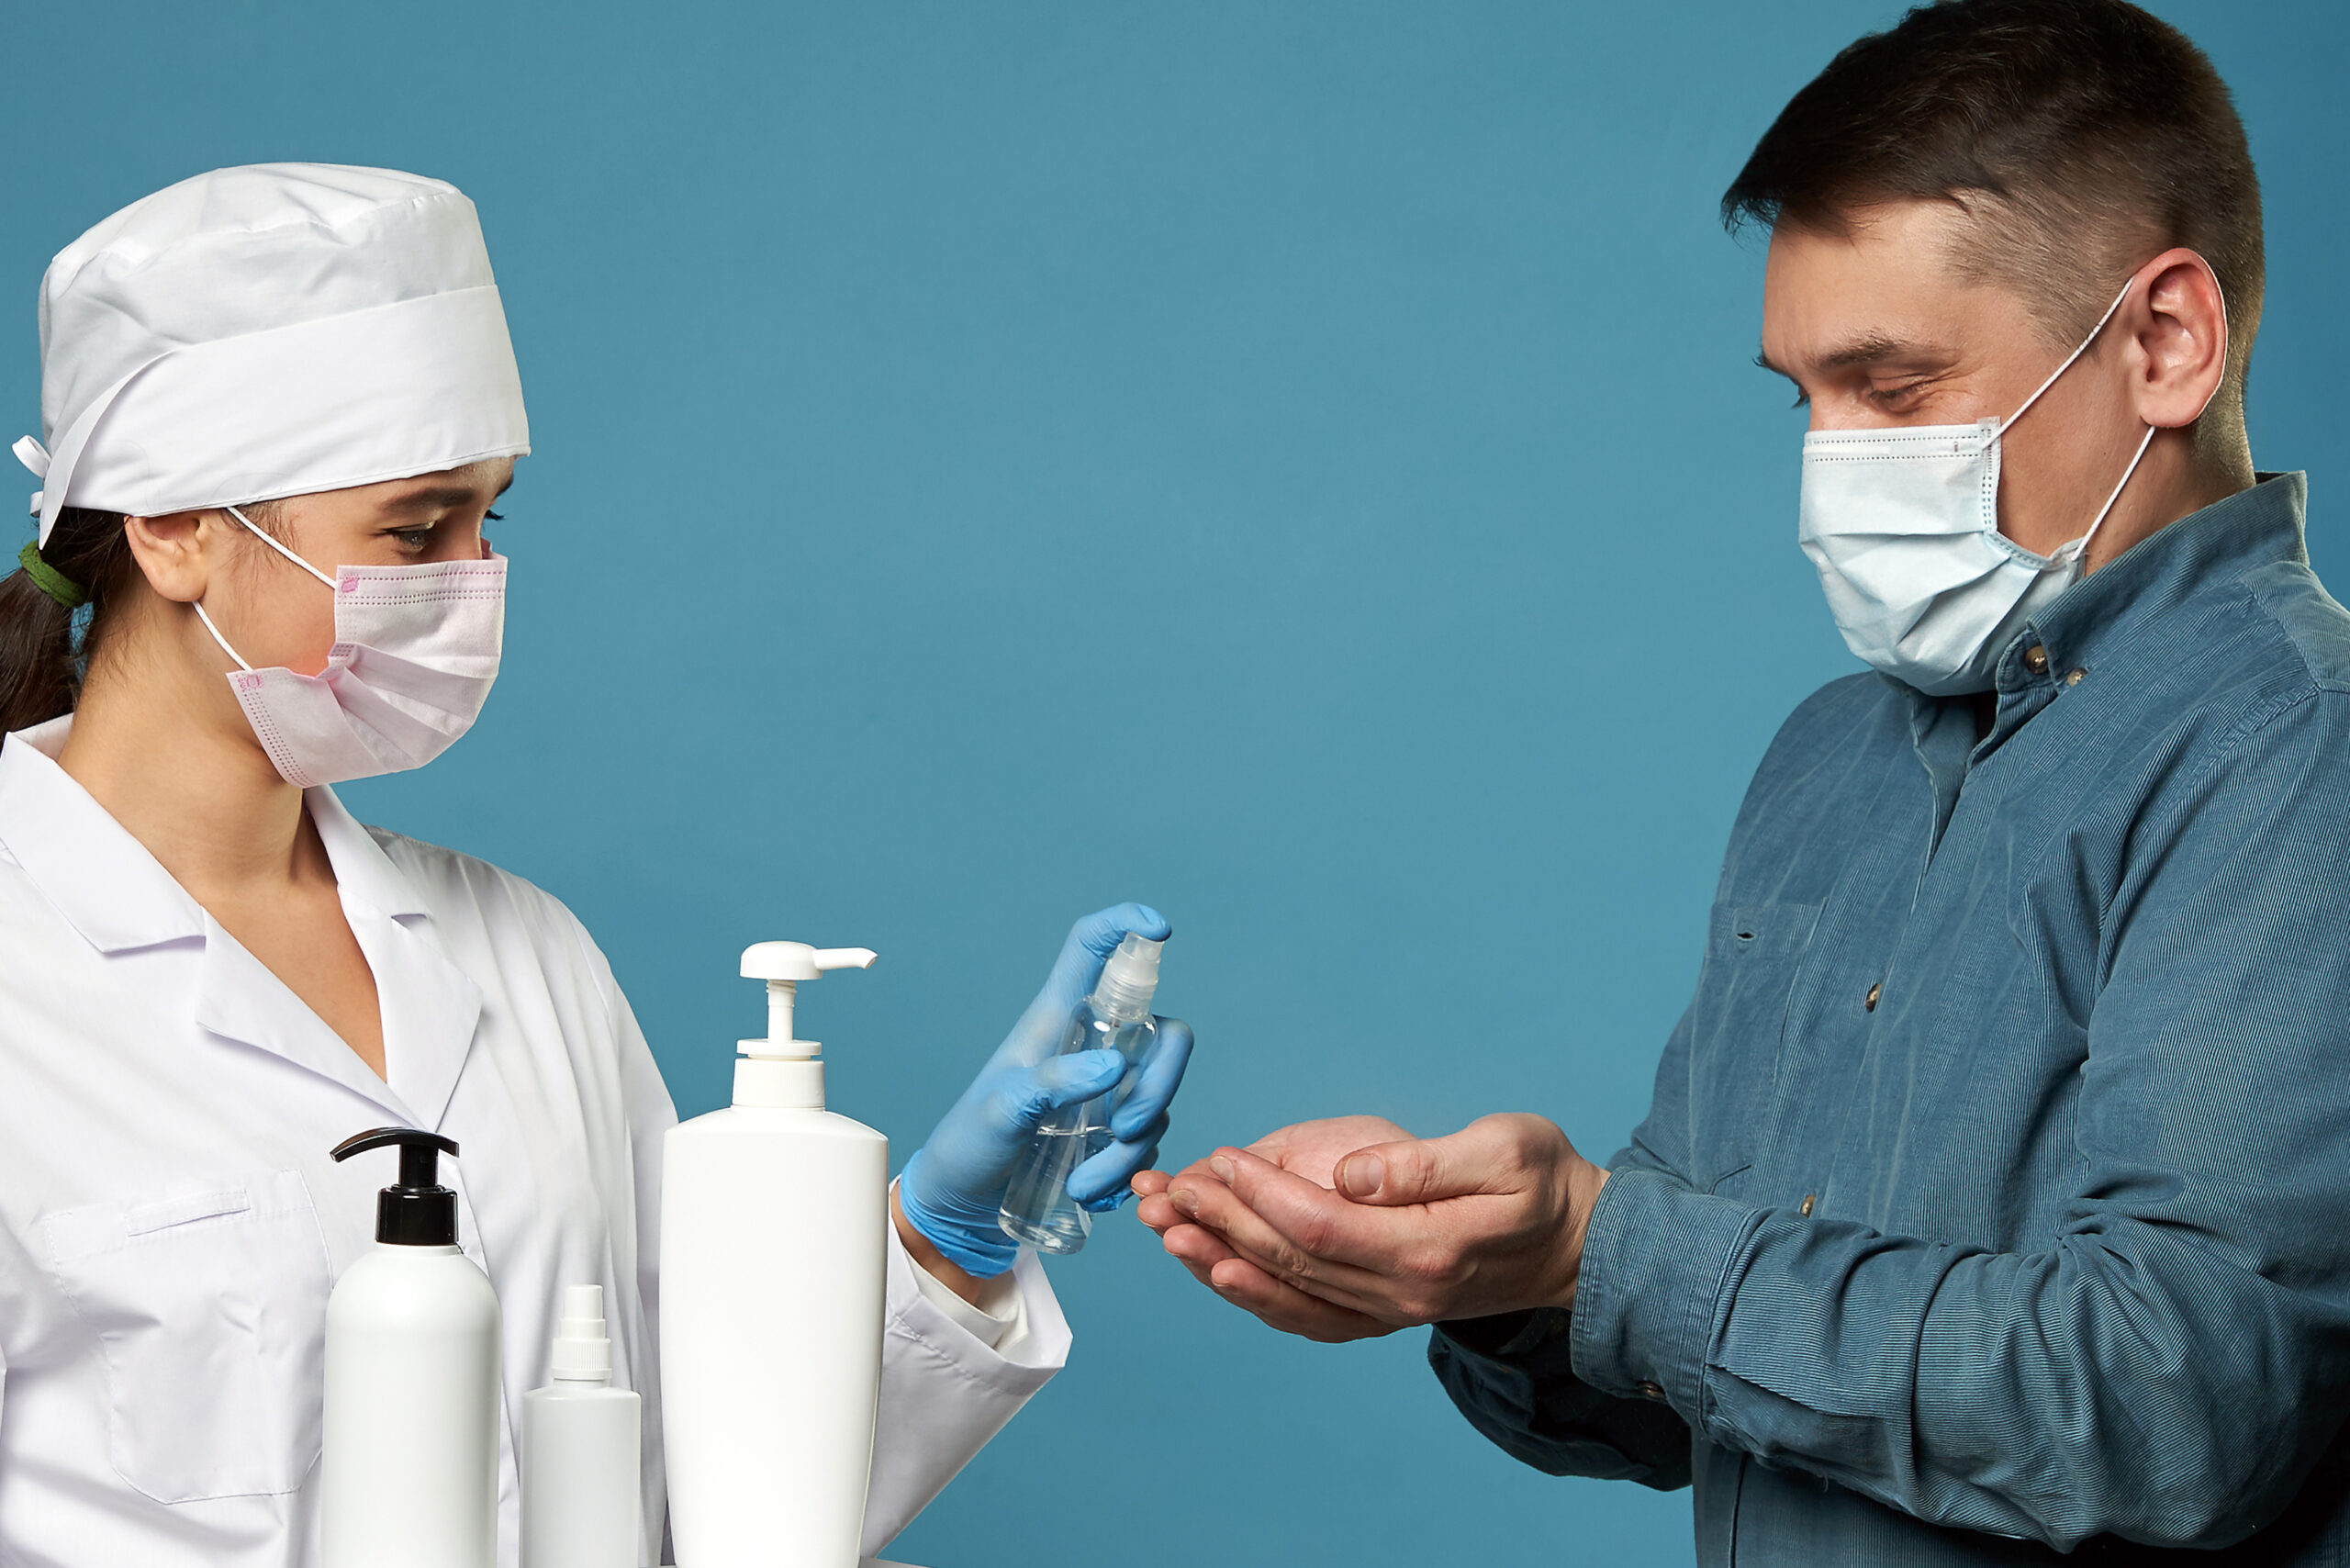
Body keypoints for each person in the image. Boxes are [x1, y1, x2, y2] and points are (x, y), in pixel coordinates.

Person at [1136, 2, 2350, 1561]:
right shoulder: (1830, 762)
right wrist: (1494, 1280)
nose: (1830, 466)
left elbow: (2174, 1409)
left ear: (2164, 341)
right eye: (1804, 398)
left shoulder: (2294, 752)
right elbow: (1716, 1366)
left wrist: (1599, 1251)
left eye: (1894, 390)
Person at [0, 162, 1192, 1568]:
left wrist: (942, 1243)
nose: (468, 577)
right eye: (412, 527)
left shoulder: (522, 951)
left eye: (488, 521)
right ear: (174, 529)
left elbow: (710, 1493)